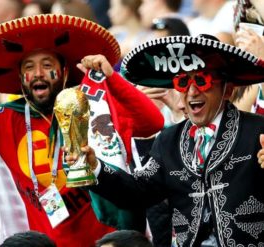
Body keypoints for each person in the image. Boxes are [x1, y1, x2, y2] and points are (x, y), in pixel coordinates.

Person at [0, 14, 164, 247]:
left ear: (64, 70)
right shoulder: (4, 119)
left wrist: (111, 78)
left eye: (47, 65)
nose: (38, 73)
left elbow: (152, 123)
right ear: (20, 78)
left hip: (111, 242)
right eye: (28, 67)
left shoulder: (94, 102)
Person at [72, 34, 264, 245]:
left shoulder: (257, 131)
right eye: (183, 82)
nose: (192, 91)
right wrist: (96, 166)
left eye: (202, 80)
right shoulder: (169, 140)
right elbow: (137, 192)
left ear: (227, 90)